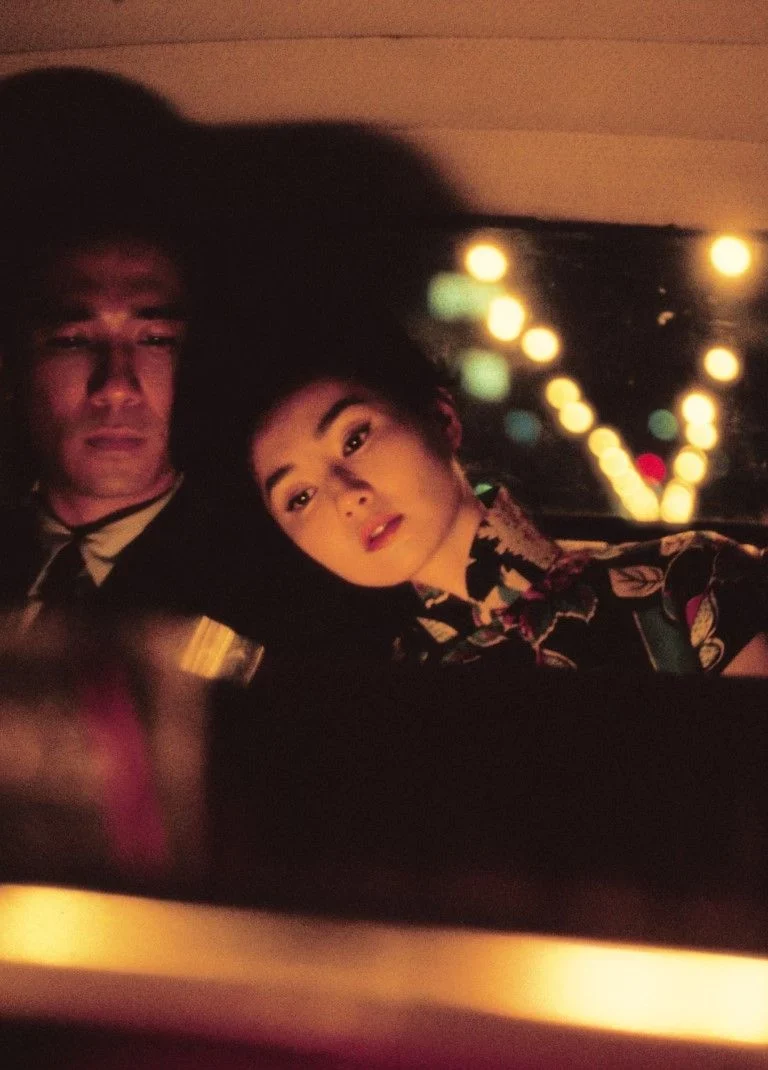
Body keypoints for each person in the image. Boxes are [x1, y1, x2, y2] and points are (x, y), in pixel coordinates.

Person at [247, 312, 768, 677]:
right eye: (299, 497)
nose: (346, 496)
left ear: (441, 419)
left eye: (355, 439)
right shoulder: (360, 711)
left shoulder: (688, 579)